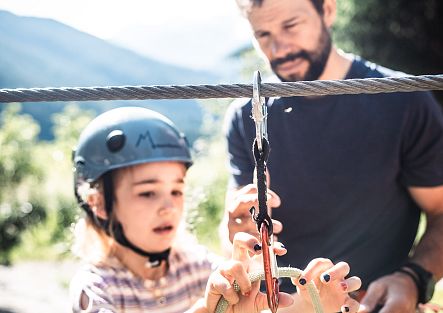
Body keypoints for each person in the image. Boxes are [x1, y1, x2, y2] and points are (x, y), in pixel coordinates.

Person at [221, 0, 443, 312]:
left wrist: (413, 278)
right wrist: (235, 228)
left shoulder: (402, 100)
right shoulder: (249, 116)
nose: (280, 48)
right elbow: (236, 232)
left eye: (291, 26)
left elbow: (441, 210)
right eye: (263, 34)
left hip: (376, 303)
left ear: (327, 10)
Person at [68, 106, 361, 313]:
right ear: (99, 204)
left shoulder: (196, 267)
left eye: (177, 190)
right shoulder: (95, 289)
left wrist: (308, 304)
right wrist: (205, 309)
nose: (168, 206)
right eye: (147, 193)